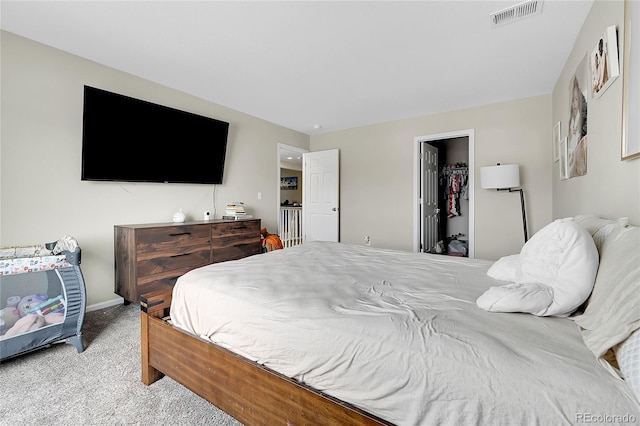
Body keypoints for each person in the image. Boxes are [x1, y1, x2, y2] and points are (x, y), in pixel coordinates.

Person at [568, 77, 587, 177]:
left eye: (576, 99)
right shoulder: (572, 122)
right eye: (572, 100)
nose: (574, 103)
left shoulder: (581, 119)